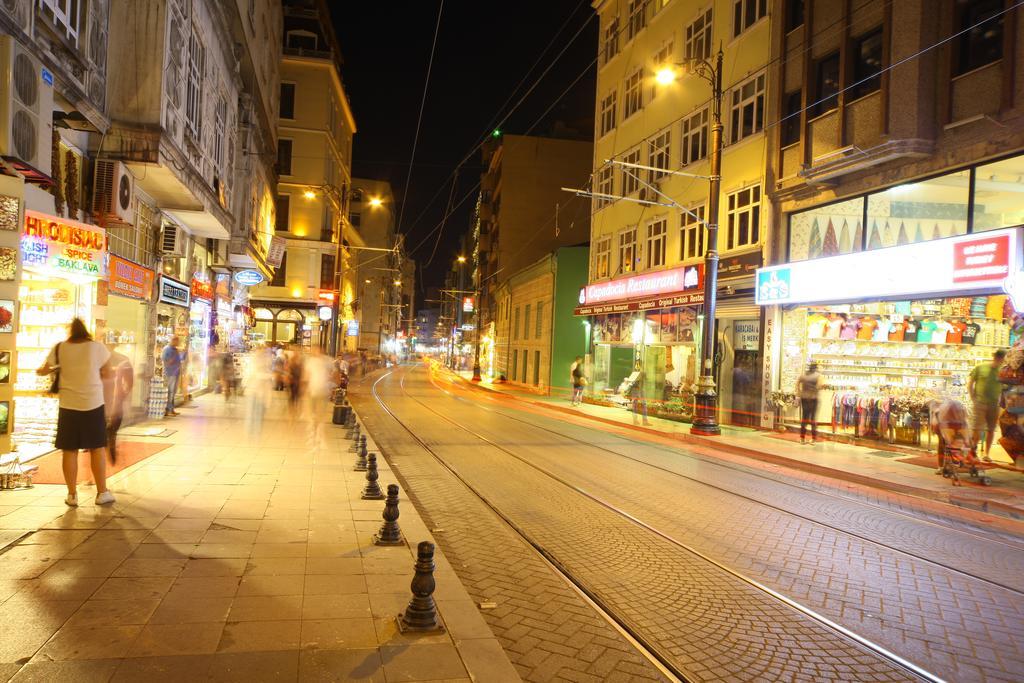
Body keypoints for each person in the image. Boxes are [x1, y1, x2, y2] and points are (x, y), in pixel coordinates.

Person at [36, 318, 115, 507]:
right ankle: (102, 492)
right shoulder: (97, 347)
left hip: (68, 406)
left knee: (69, 450)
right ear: (85, 331)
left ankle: (72, 495)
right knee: (97, 449)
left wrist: (55, 369)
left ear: (70, 331)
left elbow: (42, 370)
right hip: (93, 404)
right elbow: (108, 373)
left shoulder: (60, 348)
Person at [968, 349, 1006, 458]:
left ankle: (986, 454)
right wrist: (973, 398)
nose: (999, 360)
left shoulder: (1002, 371)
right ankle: (973, 451)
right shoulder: (980, 367)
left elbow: (1005, 388)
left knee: (991, 429)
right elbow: (970, 383)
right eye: (998, 357)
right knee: (977, 428)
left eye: (1001, 358)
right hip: (980, 403)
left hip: (994, 404)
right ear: (994, 357)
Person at [102, 343, 133, 464]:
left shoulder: (99, 359)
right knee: (112, 429)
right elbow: (130, 382)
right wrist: (123, 395)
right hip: (114, 401)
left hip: (100, 401)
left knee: (105, 430)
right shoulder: (124, 359)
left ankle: (107, 445)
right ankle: (111, 443)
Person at [931, 397, 970, 474]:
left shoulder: (940, 410)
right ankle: (947, 464)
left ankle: (941, 466)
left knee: (943, 444)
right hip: (954, 428)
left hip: (946, 428)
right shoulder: (959, 411)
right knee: (955, 445)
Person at [797, 362, 822, 444]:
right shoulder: (818, 375)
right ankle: (814, 439)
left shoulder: (803, 375)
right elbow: (820, 385)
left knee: (804, 418)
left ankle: (802, 438)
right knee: (813, 419)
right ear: (816, 368)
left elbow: (797, 383)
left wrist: (800, 392)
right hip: (813, 398)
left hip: (804, 398)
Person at [161, 336, 183, 417]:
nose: (178, 343)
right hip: (170, 373)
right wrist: (170, 361)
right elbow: (164, 360)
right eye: (177, 342)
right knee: (170, 392)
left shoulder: (175, 349)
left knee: (173, 392)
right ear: (173, 341)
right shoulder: (167, 349)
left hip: (176, 373)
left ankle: (171, 409)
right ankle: (168, 410)